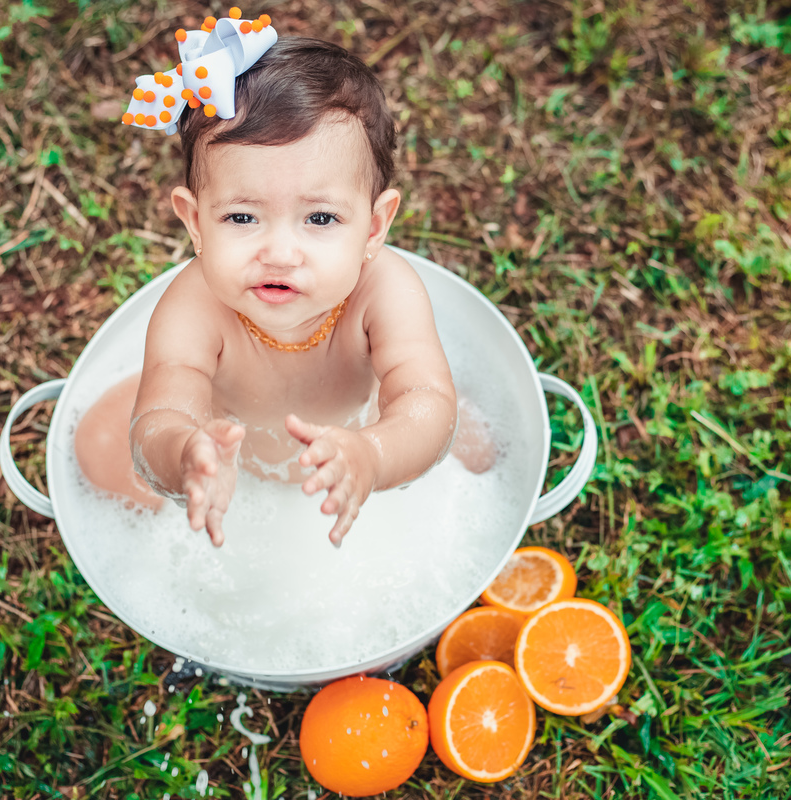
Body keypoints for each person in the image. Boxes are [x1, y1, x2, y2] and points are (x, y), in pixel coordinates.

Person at [79, 13, 494, 548]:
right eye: (242, 217)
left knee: (469, 443)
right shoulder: (194, 307)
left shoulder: (384, 292)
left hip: (361, 431)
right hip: (239, 454)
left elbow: (422, 395)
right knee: (97, 446)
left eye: (320, 219)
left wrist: (374, 454)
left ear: (373, 228)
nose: (278, 253)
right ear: (195, 221)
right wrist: (185, 454)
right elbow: (164, 411)